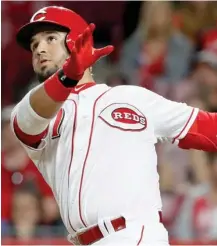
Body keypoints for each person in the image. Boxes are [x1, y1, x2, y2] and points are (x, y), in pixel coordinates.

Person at [11, 6, 216, 245]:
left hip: (134, 235)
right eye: (34, 45)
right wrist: (68, 77)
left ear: (79, 42)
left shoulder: (133, 98)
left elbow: (207, 129)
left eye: (50, 39)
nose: (40, 49)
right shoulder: (31, 110)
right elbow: (32, 114)